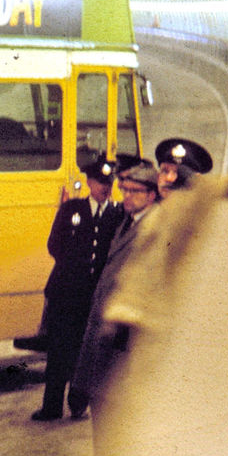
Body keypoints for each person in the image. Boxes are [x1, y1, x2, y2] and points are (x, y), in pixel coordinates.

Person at [30, 155, 124, 420]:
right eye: (99, 182)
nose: (105, 188)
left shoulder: (117, 215)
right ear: (89, 182)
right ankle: (51, 406)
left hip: (94, 297)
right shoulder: (72, 210)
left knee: (88, 352)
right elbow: (54, 246)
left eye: (109, 183)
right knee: (59, 350)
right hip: (67, 294)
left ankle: (78, 403)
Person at [68, 159, 161, 419]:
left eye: (134, 191)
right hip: (104, 334)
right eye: (125, 190)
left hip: (121, 340)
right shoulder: (126, 222)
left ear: (151, 195)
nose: (126, 196)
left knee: (117, 420)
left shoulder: (153, 227)